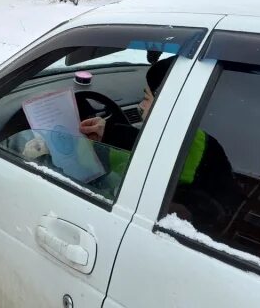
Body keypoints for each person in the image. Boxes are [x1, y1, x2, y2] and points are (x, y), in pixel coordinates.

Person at [80, 56, 241, 233]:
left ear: (166, 103)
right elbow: (156, 143)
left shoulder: (193, 147)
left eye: (146, 98)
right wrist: (109, 132)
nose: (140, 106)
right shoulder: (194, 135)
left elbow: (149, 158)